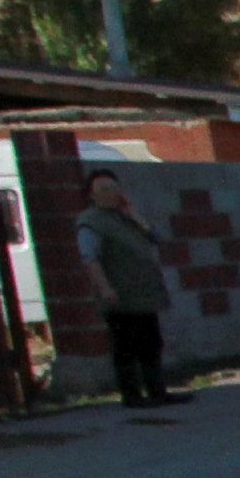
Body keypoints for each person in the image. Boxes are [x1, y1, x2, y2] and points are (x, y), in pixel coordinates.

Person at [73, 169, 171, 407]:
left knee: (151, 342)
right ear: (91, 195)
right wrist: (105, 288)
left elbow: (156, 237)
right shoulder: (91, 221)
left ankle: (157, 391)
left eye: (114, 187)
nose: (112, 193)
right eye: (104, 189)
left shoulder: (125, 217)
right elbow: (90, 258)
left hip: (143, 293)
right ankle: (132, 395)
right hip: (119, 294)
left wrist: (134, 216)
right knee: (125, 345)